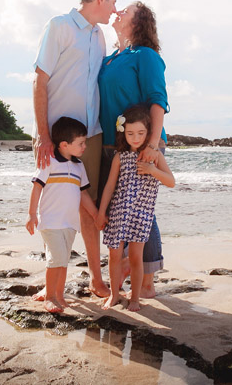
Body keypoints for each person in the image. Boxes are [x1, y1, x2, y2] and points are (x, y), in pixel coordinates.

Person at [33, 0, 117, 298]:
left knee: (87, 205)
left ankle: (96, 279)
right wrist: (43, 136)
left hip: (91, 134)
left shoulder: (99, 38)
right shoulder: (59, 26)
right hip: (55, 136)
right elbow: (40, 80)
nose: (114, 9)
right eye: (112, 2)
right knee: (53, 206)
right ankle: (50, 283)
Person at [97, 1, 168, 297]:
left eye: (125, 10)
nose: (118, 12)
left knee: (142, 209)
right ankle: (127, 266)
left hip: (142, 142)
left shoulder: (145, 55)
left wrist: (151, 146)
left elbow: (158, 100)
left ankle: (147, 280)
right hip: (113, 144)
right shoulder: (113, 57)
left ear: (139, 22)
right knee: (120, 206)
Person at [95, 104, 174, 311]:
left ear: (148, 133)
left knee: (136, 257)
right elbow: (110, 186)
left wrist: (151, 170)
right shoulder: (120, 157)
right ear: (123, 133)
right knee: (114, 255)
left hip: (141, 215)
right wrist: (102, 212)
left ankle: (136, 298)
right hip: (119, 213)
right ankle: (113, 295)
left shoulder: (154, 157)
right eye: (130, 133)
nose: (136, 138)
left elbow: (171, 181)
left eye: (140, 133)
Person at [26, 116, 99, 313]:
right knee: (56, 258)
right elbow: (36, 187)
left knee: (63, 260)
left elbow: (83, 194)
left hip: (70, 223)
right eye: (81, 143)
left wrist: (95, 215)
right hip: (50, 221)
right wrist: (32, 214)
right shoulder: (48, 161)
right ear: (65, 144)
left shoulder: (79, 166)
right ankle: (49, 296)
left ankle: (59, 295)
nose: (85, 146)